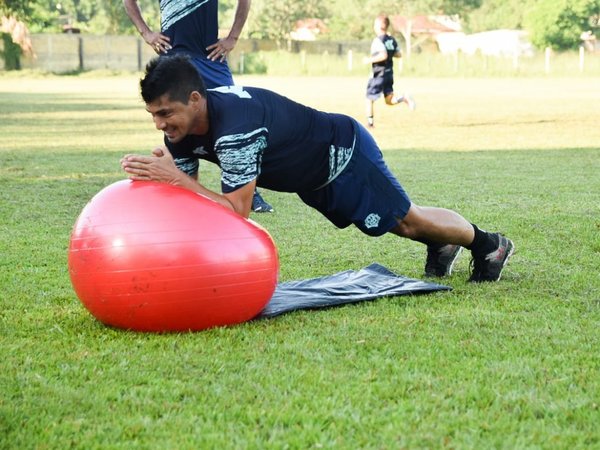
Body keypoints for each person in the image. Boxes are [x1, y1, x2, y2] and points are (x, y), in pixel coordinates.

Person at [121, 55, 515, 282]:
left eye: (166, 113)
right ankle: (441, 241)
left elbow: (236, 212)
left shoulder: (235, 129)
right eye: (153, 115)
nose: (159, 125)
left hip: (343, 153)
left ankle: (488, 245)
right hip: (309, 174)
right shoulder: (182, 129)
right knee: (395, 224)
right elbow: (190, 199)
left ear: (194, 99)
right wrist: (169, 178)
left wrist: (176, 179)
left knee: (405, 221)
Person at [122, 0, 274, 212]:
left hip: (210, 57)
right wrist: (146, 33)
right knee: (174, 121)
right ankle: (180, 188)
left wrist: (233, 38)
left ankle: (250, 192)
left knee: (235, 120)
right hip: (173, 59)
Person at [364, 14, 415, 128]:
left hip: (378, 74)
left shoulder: (378, 40)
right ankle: (404, 98)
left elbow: (383, 55)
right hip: (389, 73)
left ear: (379, 26)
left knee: (369, 99)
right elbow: (398, 54)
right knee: (389, 100)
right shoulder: (391, 39)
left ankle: (370, 123)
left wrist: (369, 59)